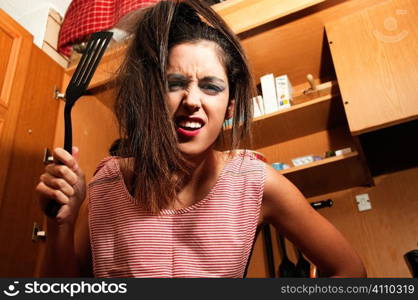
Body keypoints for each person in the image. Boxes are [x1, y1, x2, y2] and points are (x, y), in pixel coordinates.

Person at [36, 0, 366, 278]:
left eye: (211, 86)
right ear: (152, 96)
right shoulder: (108, 184)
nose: (192, 100)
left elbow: (350, 272)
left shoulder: (255, 182)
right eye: (175, 83)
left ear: (230, 107)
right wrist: (59, 227)